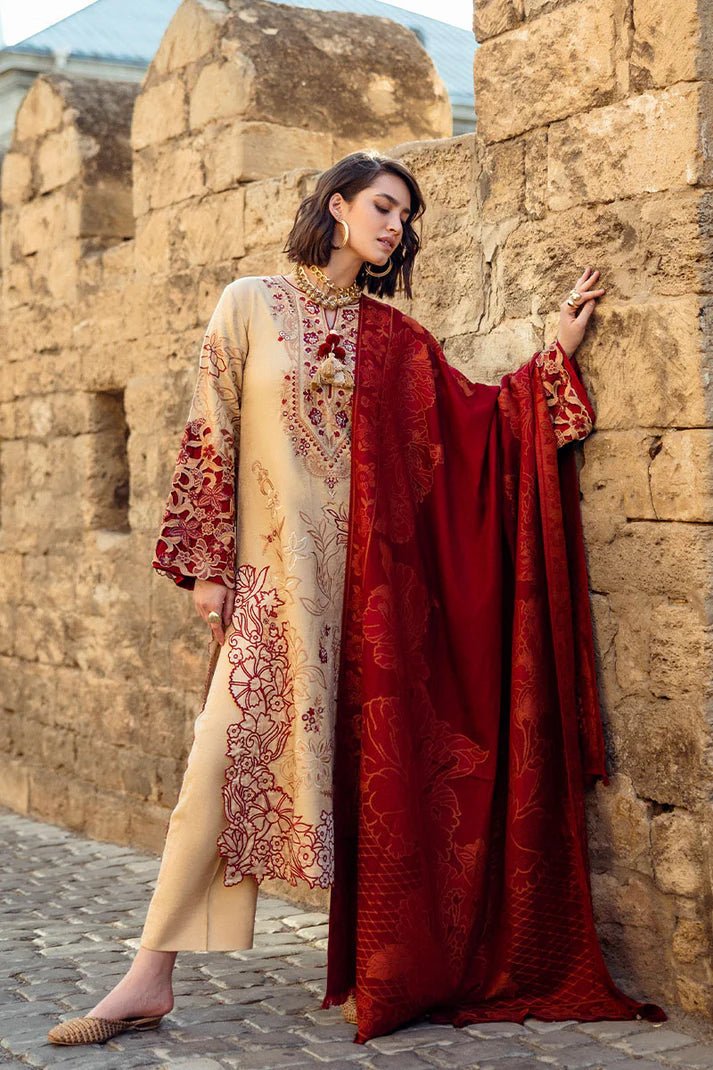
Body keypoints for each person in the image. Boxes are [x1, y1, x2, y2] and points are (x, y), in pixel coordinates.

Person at [48, 150, 664, 1047]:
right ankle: (151, 974)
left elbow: (477, 426)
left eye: (405, 217)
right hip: (273, 590)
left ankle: (390, 957)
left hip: (373, 607)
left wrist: (553, 357)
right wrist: (209, 566)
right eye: (382, 207)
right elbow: (209, 431)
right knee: (216, 768)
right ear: (335, 207)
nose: (394, 227)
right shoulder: (249, 303)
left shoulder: (398, 342)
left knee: (379, 783)